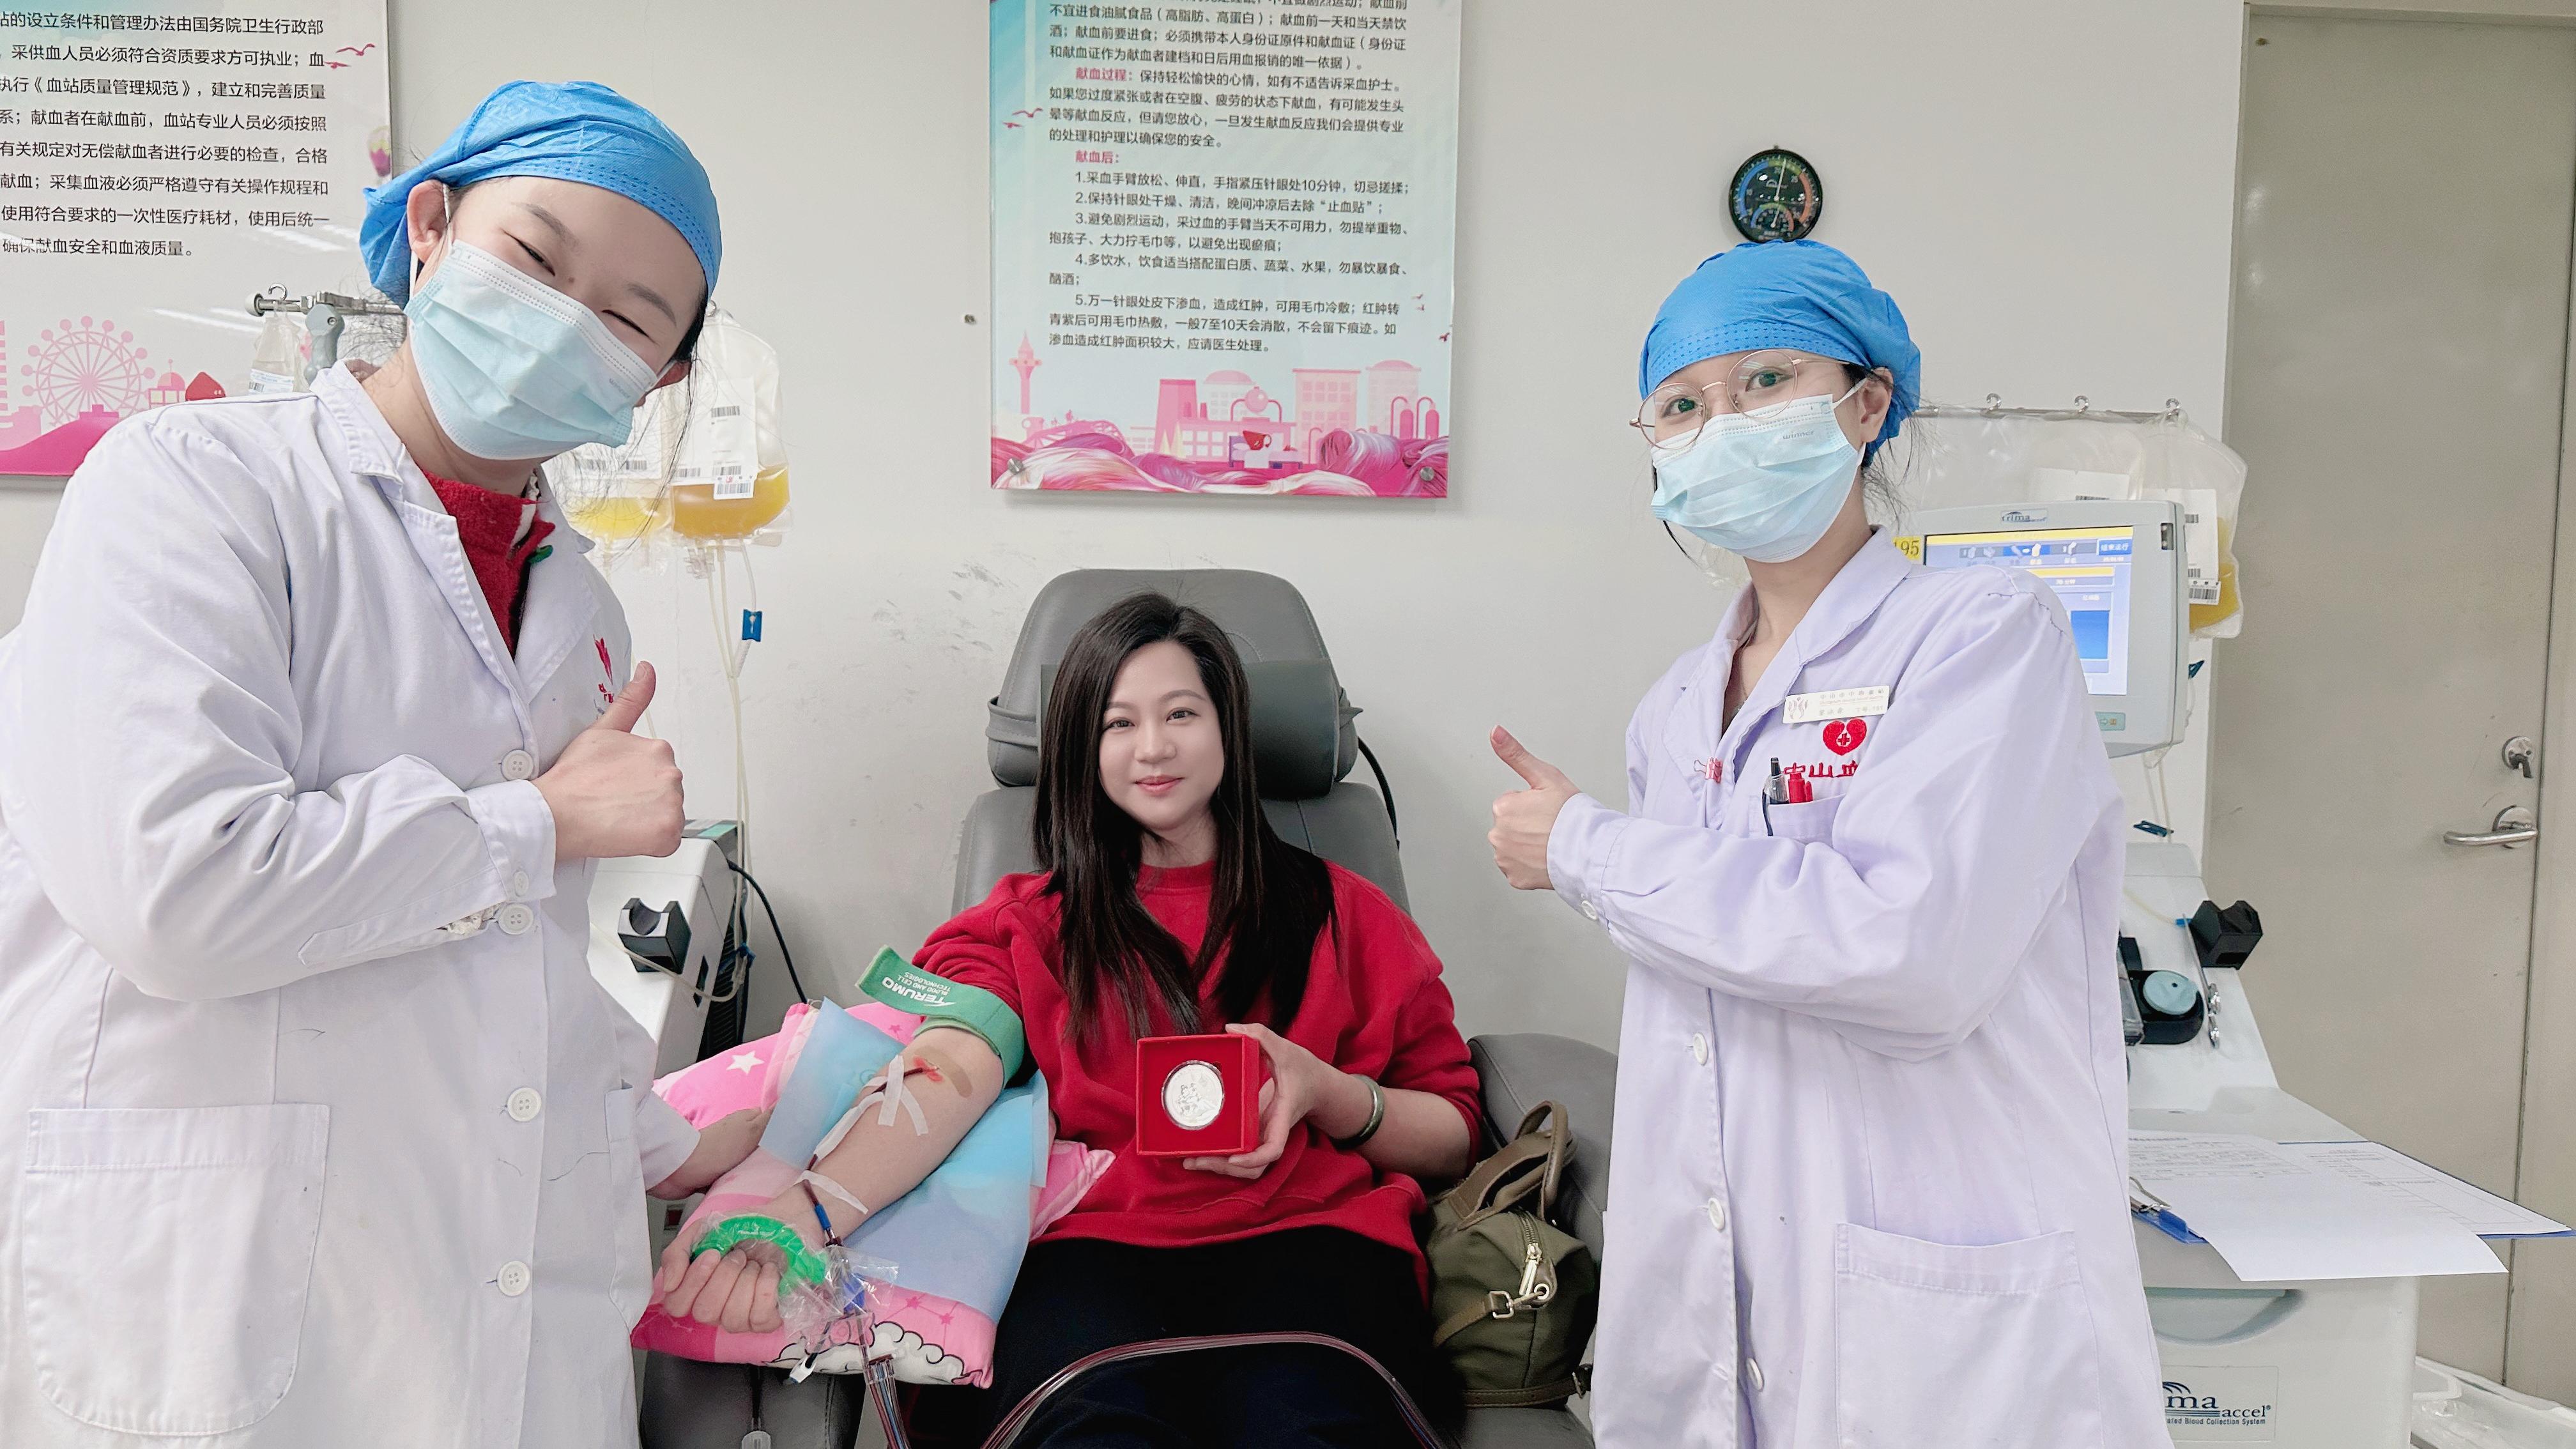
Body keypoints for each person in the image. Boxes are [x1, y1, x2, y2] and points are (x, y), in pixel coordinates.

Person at [0, 82, 767, 1448]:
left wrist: (675, 1143)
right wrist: (537, 821)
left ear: (658, 382)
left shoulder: (581, 610)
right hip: (207, 1272)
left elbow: (519, 956)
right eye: (535, 259)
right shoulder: (192, 486)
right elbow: (176, 894)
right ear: (430, 229)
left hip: (472, 1280)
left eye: (630, 318)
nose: (566, 324)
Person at [1485, 240, 2166, 1448]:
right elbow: (1707, 980)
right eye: (1682, 406)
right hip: (1726, 1272)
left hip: (1934, 1276)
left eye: (1766, 381)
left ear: (1866, 403)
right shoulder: (1675, 711)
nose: (1722, 424)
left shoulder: (1983, 636)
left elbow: (1911, 954)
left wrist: (1588, 850)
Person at [655, 592, 1478, 1448]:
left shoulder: (1350, 915)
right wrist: (810, 1210)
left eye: (1181, 713)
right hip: (1086, 1255)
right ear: (1084, 748)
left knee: (1310, 1428)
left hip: (1315, 1246)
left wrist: (1328, 1093)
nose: (1153, 747)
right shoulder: (1023, 927)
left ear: (1229, 729)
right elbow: (947, 1073)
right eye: (1119, 724)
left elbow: (1453, 1135)